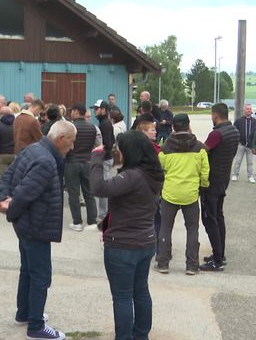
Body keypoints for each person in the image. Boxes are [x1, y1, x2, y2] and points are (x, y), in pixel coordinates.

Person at [0, 120, 76, 340]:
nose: (72, 147)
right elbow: (24, 193)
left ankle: (25, 313)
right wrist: (8, 208)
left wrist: (4, 198)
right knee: (41, 275)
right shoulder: (45, 161)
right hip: (35, 226)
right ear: (61, 139)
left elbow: (8, 176)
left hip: (26, 224)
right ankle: (36, 327)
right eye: (71, 142)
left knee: (28, 270)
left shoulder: (32, 149)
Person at [90, 130, 164, 340]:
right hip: (146, 243)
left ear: (129, 150)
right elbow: (131, 206)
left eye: (118, 147)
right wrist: (105, 224)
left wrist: (96, 158)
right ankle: (141, 335)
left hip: (123, 247)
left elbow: (99, 187)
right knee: (140, 291)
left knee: (122, 297)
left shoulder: (132, 176)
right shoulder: (151, 173)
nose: (116, 151)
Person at [155, 114, 209, 275]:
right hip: (191, 195)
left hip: (170, 193)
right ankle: (192, 265)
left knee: (165, 227)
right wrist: (203, 186)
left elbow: (159, 170)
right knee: (192, 229)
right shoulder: (199, 147)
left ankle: (163, 263)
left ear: (173, 127)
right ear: (188, 125)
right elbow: (205, 172)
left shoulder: (165, 149)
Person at [200, 103, 239, 271]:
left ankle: (216, 260)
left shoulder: (216, 134)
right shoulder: (234, 131)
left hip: (212, 182)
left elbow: (202, 150)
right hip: (223, 180)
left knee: (209, 219)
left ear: (215, 116)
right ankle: (220, 254)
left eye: (211, 115)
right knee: (219, 217)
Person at [66, 103, 98, 231]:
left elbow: (67, 144)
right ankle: (92, 221)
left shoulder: (70, 127)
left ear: (77, 112)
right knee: (89, 192)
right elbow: (95, 145)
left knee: (74, 193)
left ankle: (77, 222)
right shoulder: (92, 127)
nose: (71, 113)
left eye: (72, 111)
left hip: (72, 162)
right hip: (87, 162)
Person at [94, 100, 115, 221]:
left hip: (105, 158)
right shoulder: (104, 123)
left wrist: (97, 152)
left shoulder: (105, 124)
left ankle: (104, 215)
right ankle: (105, 213)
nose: (95, 111)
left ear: (104, 110)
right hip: (106, 157)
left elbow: (107, 143)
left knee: (103, 187)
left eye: (97, 108)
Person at [231, 103, 256, 182]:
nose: (249, 110)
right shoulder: (238, 121)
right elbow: (234, 131)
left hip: (250, 146)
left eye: (250, 109)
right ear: (244, 110)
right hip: (241, 144)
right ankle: (235, 174)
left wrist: (254, 146)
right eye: (247, 109)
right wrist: (237, 141)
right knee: (238, 161)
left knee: (250, 162)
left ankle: (250, 176)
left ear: (251, 110)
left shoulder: (254, 121)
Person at [0, 106, 16, 181]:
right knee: (14, 175)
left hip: (2, 154)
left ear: (2, 114)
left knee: (2, 176)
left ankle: (2, 191)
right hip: (14, 153)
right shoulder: (16, 124)